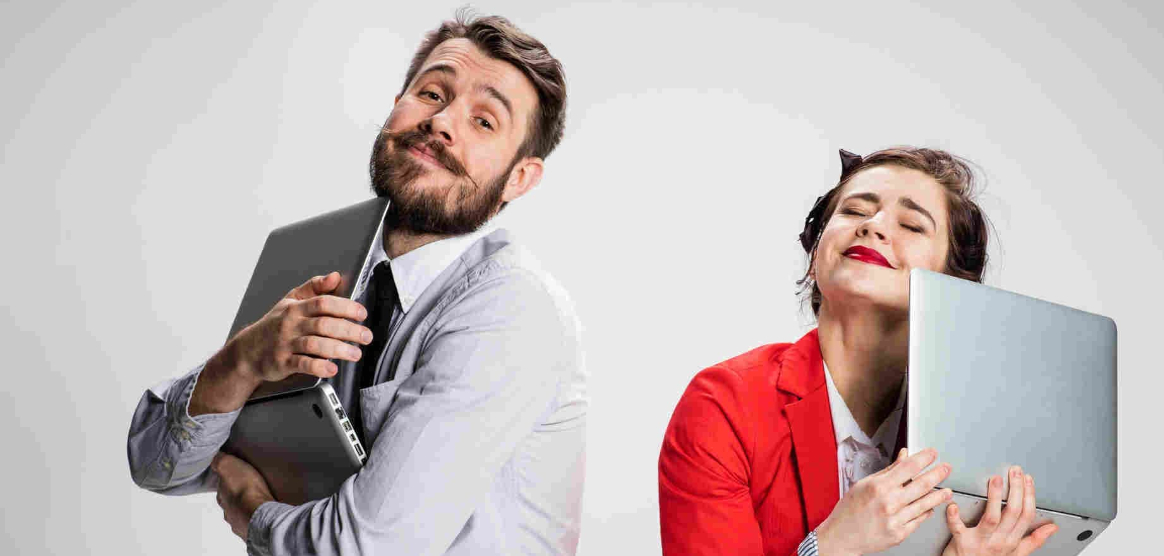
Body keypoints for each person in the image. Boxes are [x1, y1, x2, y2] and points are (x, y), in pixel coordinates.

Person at [126, 12, 588, 555]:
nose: (442, 123)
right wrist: (242, 362)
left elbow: (367, 546)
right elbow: (156, 463)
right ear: (396, 104)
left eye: (484, 121)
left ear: (519, 177)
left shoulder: (513, 310)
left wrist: (254, 514)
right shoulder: (322, 260)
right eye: (432, 93)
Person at [658, 147, 1060, 555]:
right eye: (853, 211)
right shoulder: (725, 405)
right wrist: (831, 546)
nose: (873, 226)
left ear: (951, 284)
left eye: (911, 225)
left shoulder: (980, 434)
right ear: (816, 251)